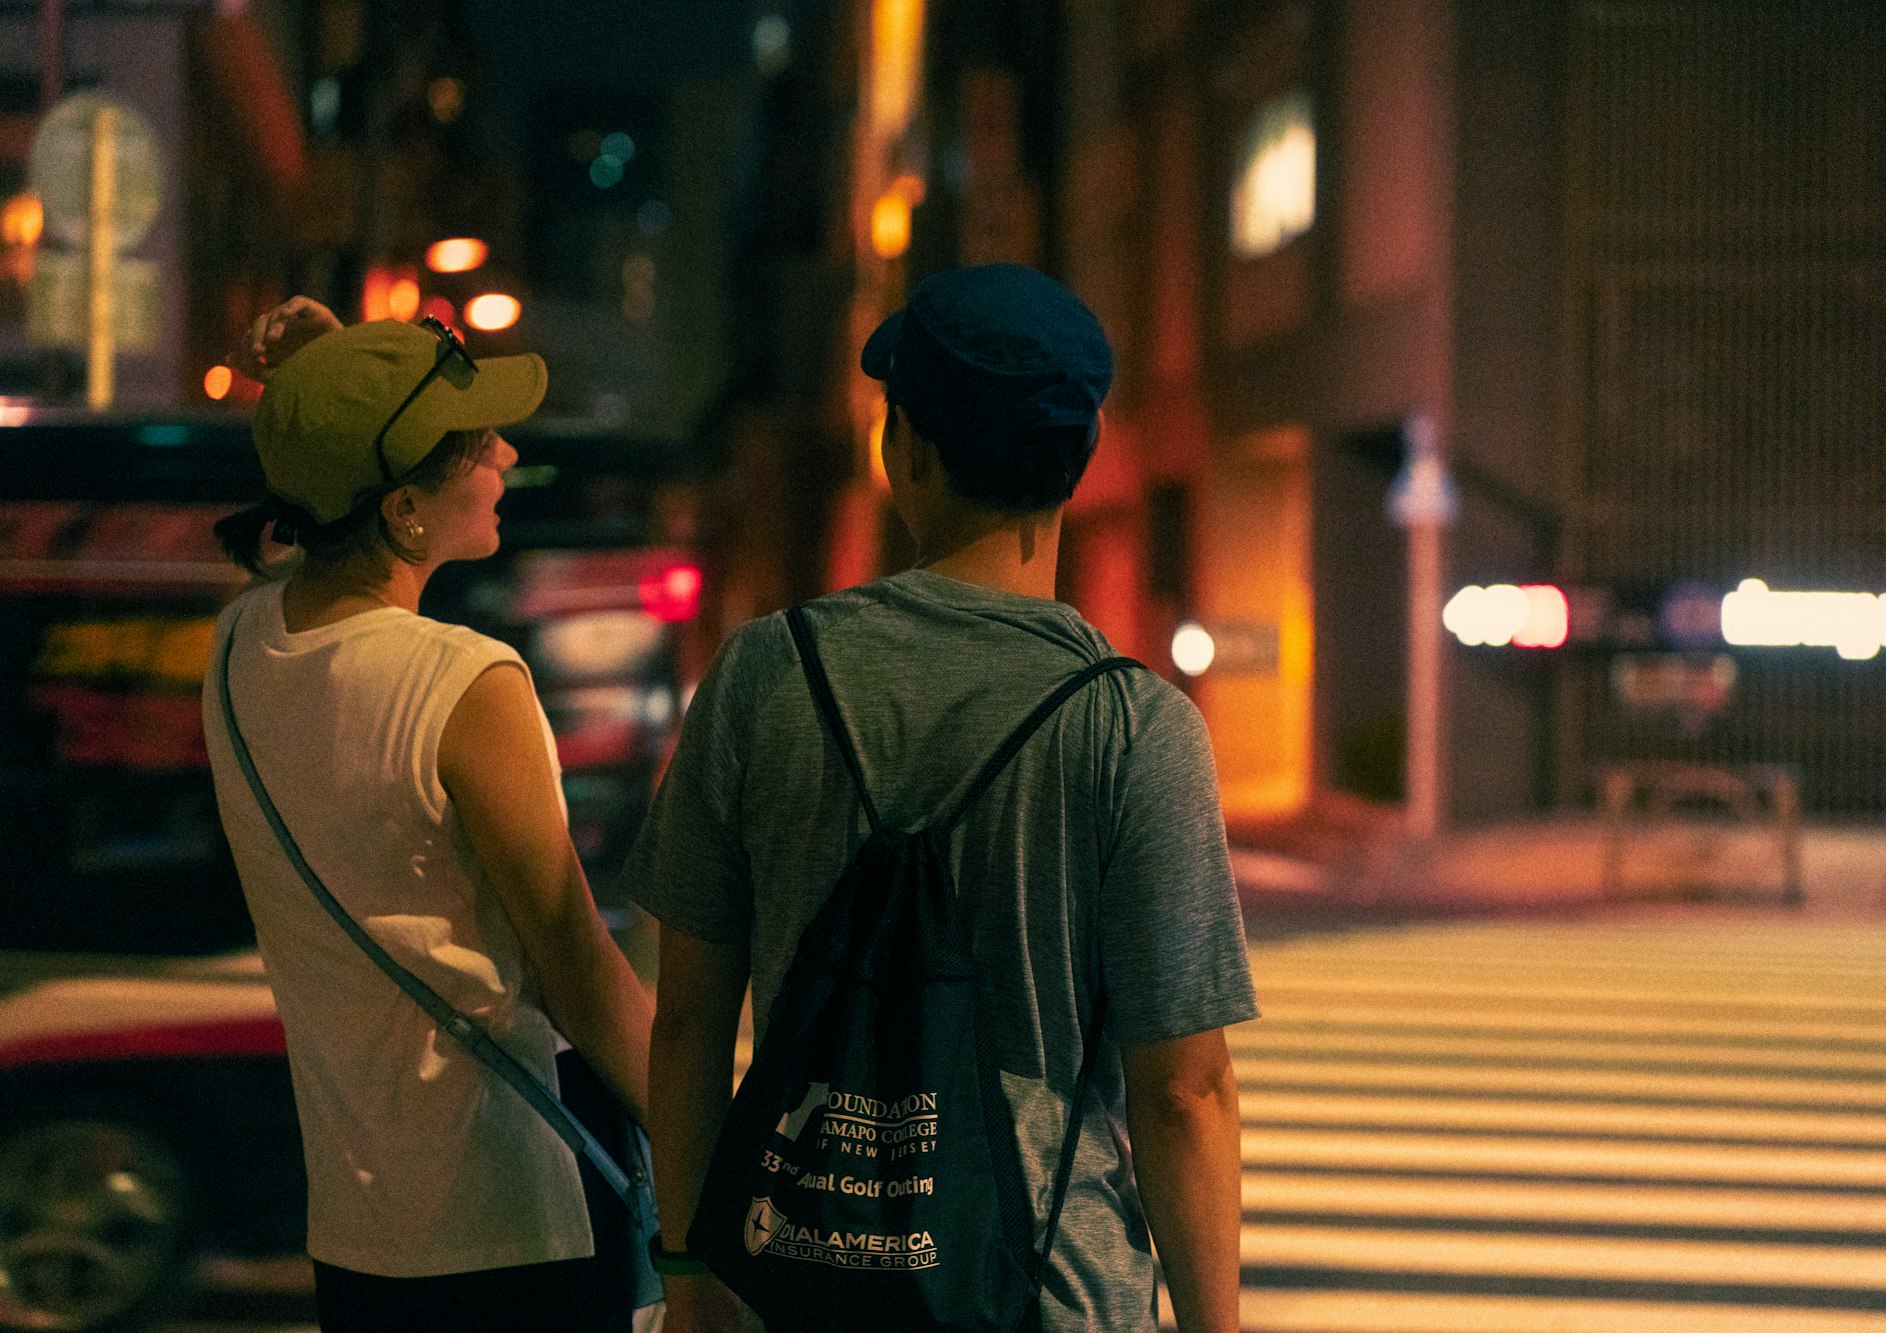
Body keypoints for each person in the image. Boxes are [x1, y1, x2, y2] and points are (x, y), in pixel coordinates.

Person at [623, 263, 1257, 1333]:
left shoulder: (764, 675)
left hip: (801, 1279)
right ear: (1078, 455)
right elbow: (1184, 1091)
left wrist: (690, 1283)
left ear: (903, 449)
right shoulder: (1135, 728)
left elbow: (688, 1020)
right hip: (1046, 1296)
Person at [201, 297, 655, 1333]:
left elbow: (323, 501)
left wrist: (327, 377)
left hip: (362, 1227)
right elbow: (576, 968)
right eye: (477, 439)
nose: (504, 449)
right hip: (516, 1214)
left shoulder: (239, 648)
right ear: (406, 509)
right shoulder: (461, 683)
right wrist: (711, 1148)